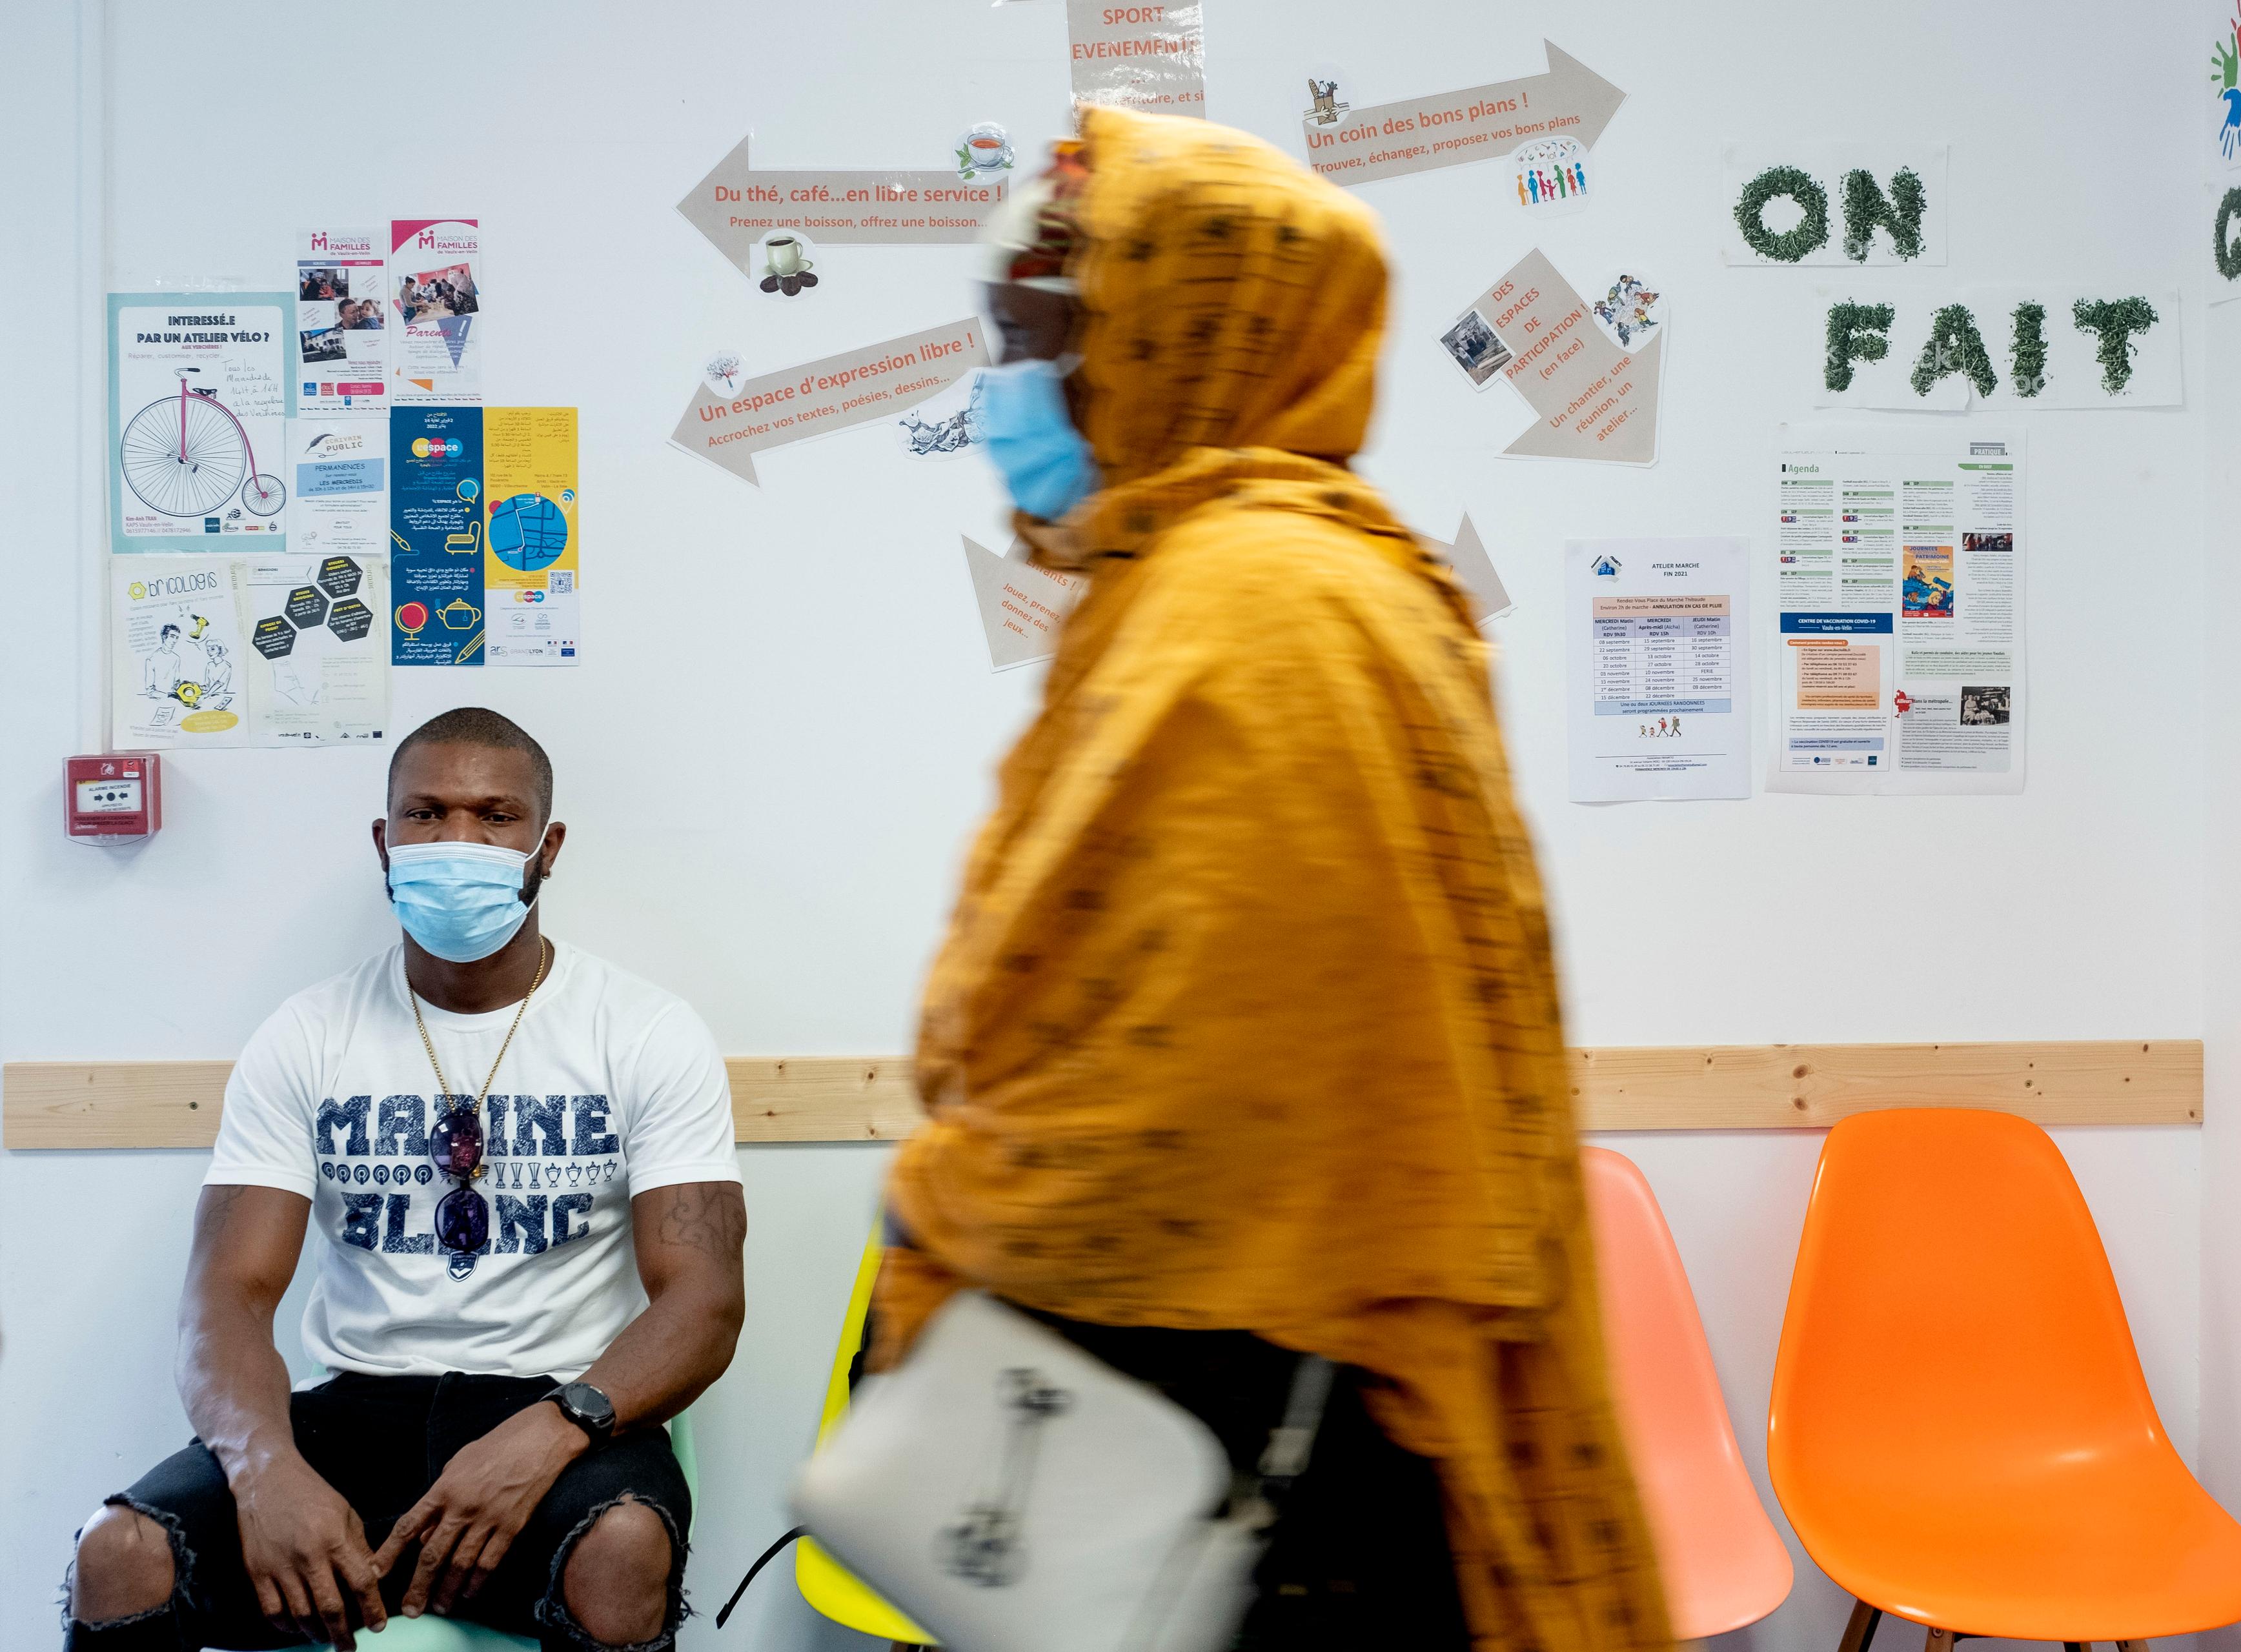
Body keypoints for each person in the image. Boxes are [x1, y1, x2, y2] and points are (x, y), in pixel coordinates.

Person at [875, 110, 1671, 1650]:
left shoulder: (1255, 604)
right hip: (1242, 1415)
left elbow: (1162, 1107)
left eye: (1041, 329)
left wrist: (944, 1194)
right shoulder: (1233, 576)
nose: (1006, 382)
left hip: (1257, 1452)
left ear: (1175, 335)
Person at [63, 708, 745, 1652]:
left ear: (547, 846)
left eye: (494, 815)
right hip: (355, 1411)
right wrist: (264, 1467)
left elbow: (703, 1302)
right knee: (121, 1552)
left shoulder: (643, 1032)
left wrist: (549, 1432)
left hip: (558, 1412)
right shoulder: (308, 1033)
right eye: (426, 815)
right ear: (384, 842)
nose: (457, 840)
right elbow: (225, 1294)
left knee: (619, 1547)